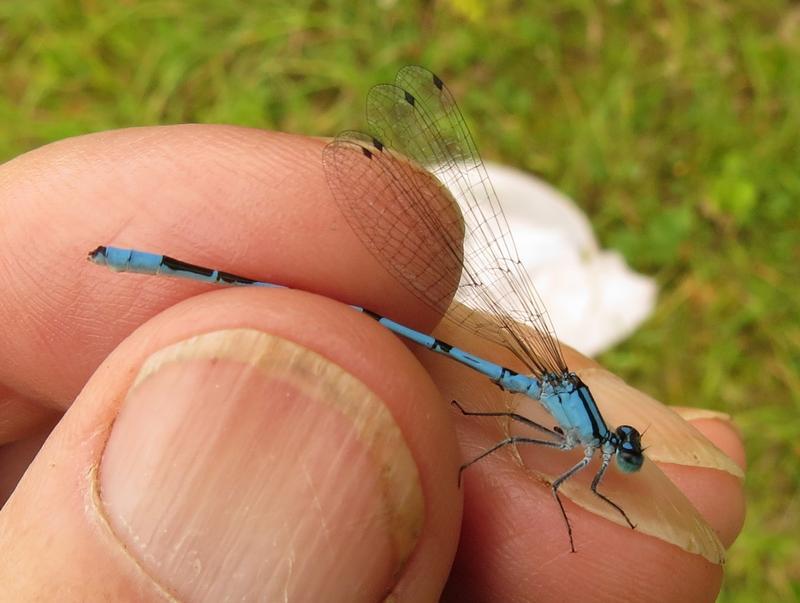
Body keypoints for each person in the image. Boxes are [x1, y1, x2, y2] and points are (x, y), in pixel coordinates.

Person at [0, 125, 746, 602]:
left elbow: (514, 431)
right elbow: (529, 451)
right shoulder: (581, 441)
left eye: (619, 450)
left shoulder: (576, 434)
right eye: (617, 447)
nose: (616, 453)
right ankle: (142, 260)